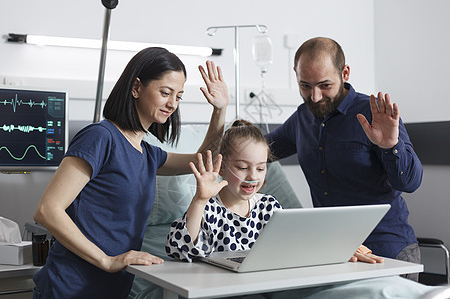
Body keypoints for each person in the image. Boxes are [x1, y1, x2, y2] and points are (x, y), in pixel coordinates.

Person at [31, 47, 228, 298]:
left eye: (178, 97)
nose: (172, 104)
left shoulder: (148, 153)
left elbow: (204, 160)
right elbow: (47, 210)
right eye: (165, 92)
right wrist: (106, 260)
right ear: (136, 87)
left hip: (114, 288)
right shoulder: (100, 138)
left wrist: (220, 109)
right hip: (70, 287)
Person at [165, 120, 437, 299]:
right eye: (242, 167)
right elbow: (180, 251)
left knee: (354, 288)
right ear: (222, 166)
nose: (252, 176)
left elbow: (296, 247)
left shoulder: (269, 206)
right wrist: (199, 200)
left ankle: (412, 293)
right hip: (235, 291)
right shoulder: (209, 209)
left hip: (279, 286)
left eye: (260, 168)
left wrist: (338, 247)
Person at [264, 37, 423, 281]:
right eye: (305, 86)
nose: (315, 97)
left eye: (325, 85)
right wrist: (221, 110)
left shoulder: (374, 113)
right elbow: (259, 150)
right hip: (335, 256)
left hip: (387, 252)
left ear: (345, 72)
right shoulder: (301, 118)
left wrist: (391, 145)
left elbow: (410, 183)